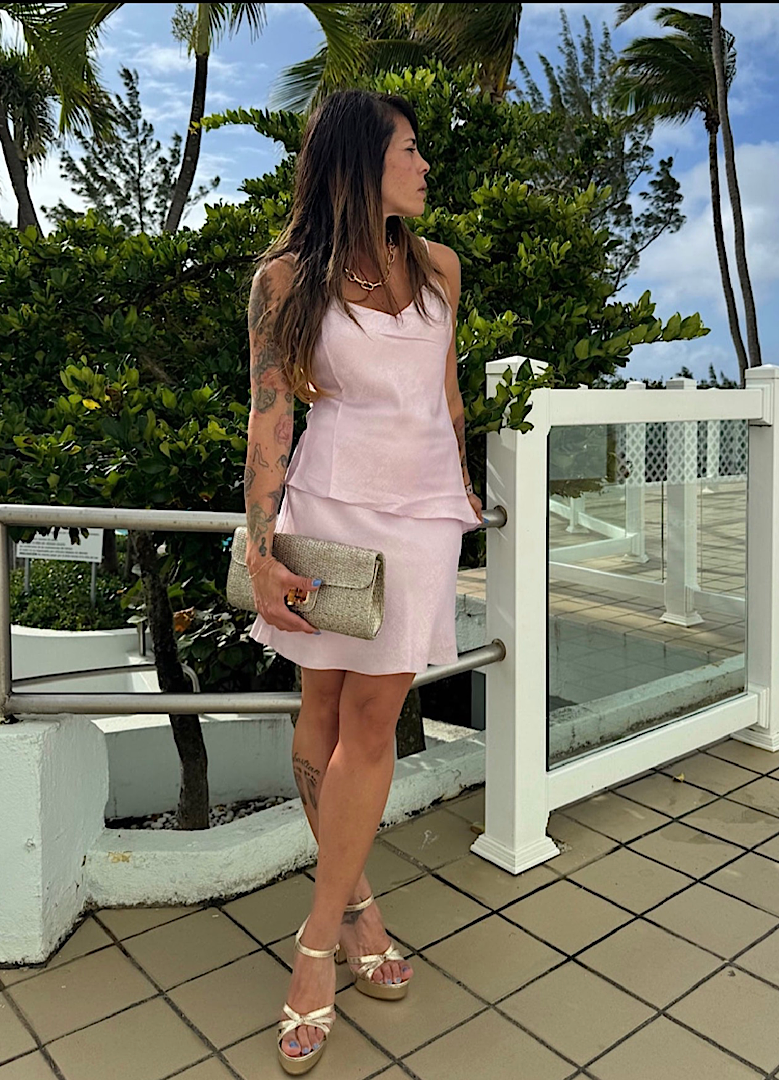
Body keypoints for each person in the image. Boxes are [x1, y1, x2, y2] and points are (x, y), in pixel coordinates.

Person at [243, 88, 484, 1075]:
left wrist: (461, 499)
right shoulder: (287, 278)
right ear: (358, 161)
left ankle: (312, 948)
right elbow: (269, 422)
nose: (425, 166)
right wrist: (260, 551)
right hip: (327, 514)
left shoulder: (438, 269)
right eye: (412, 149)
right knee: (323, 712)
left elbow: (449, 401)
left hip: (420, 520)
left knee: (371, 727)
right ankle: (358, 909)